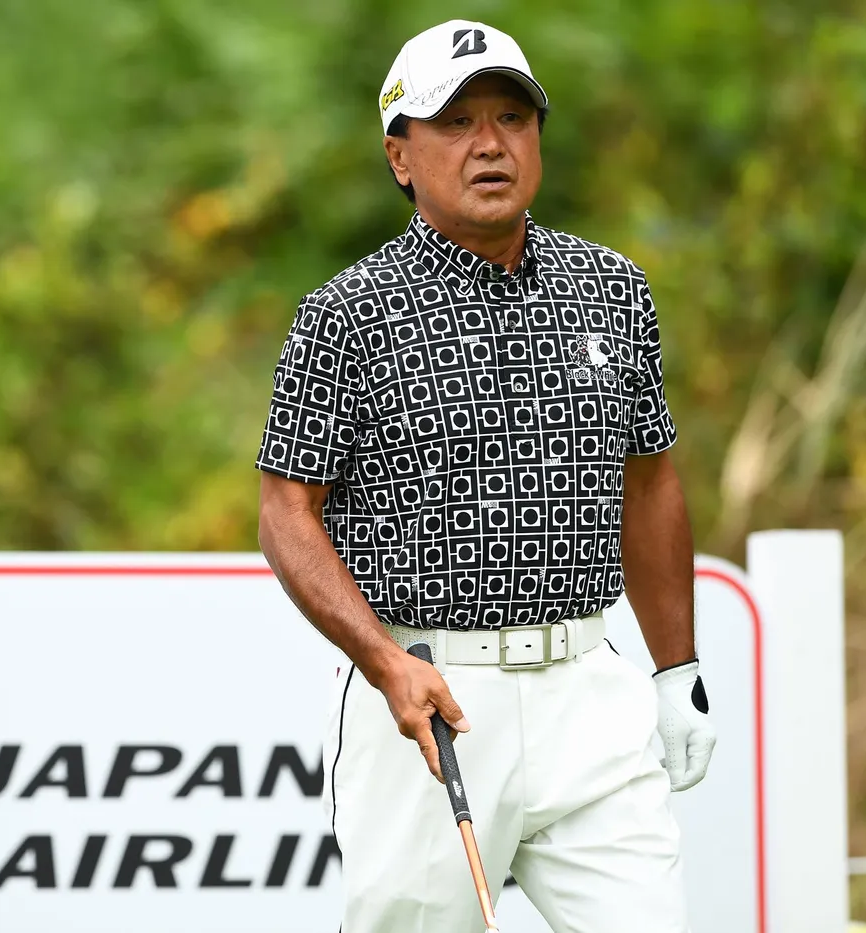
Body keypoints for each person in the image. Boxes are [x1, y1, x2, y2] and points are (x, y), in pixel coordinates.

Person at [254, 18, 716, 933]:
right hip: (434, 703)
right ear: (400, 156)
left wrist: (678, 670)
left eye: (511, 117)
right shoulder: (347, 312)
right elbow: (286, 512)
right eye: (456, 122)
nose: (491, 144)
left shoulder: (613, 289)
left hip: (591, 694)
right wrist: (384, 662)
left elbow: (650, 481)